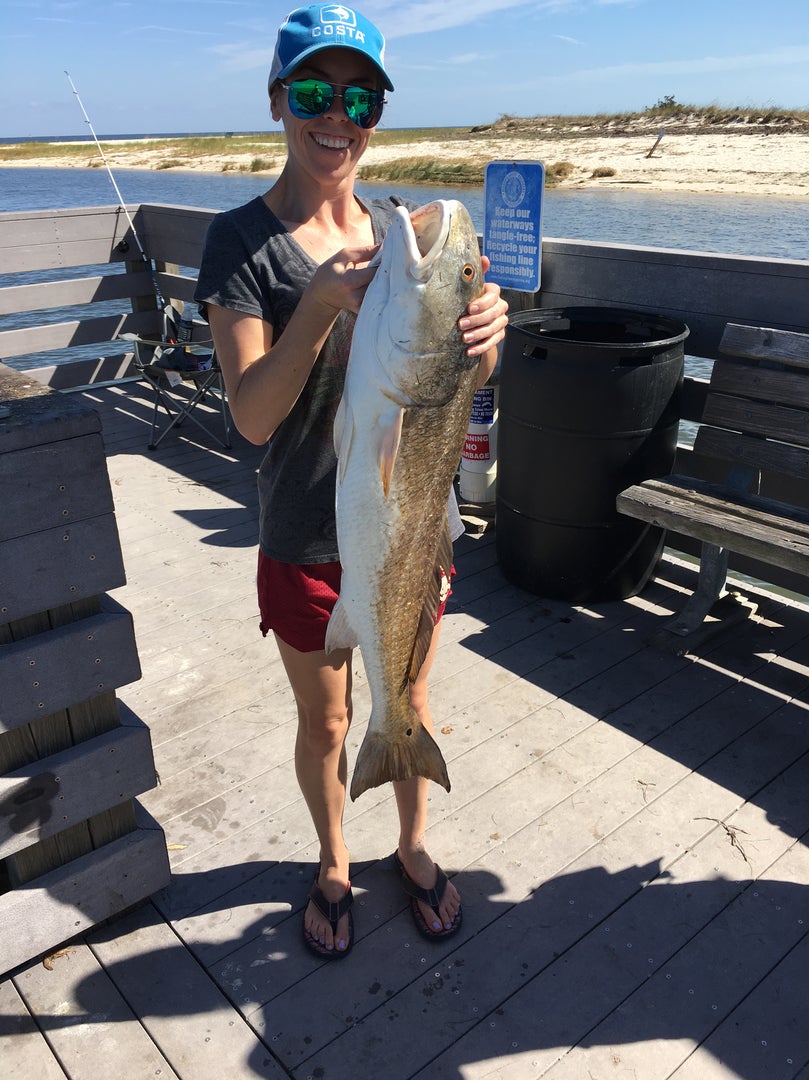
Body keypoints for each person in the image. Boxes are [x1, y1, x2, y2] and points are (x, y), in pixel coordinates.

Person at [195, 3, 508, 959]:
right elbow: (251, 416)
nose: (339, 115)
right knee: (327, 718)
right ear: (280, 102)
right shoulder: (241, 245)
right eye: (316, 93)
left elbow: (439, 390)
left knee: (405, 694)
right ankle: (334, 860)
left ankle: (411, 842)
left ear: (376, 110)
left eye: (360, 95)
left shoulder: (395, 232)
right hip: (303, 532)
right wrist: (321, 303)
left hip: (416, 532)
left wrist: (485, 347)